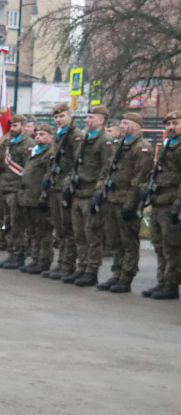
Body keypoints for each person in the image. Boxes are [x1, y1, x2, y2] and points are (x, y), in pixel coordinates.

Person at [96, 113, 153, 293]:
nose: (122, 126)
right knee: (115, 241)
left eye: (126, 123)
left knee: (128, 242)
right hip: (112, 199)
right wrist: (101, 191)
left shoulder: (141, 147)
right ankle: (117, 273)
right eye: (121, 122)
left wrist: (130, 205)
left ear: (137, 127)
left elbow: (139, 179)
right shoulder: (120, 145)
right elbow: (108, 171)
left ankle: (126, 277)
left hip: (126, 201)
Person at [62, 105, 113, 287]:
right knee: (79, 235)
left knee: (92, 235)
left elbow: (106, 168)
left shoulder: (104, 140)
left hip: (91, 193)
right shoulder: (84, 140)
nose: (86, 120)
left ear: (101, 121)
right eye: (87, 117)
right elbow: (75, 165)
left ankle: (91, 270)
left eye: (91, 117)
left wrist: (99, 192)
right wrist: (68, 185)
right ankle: (81, 267)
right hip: (78, 192)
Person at [140, 110, 181, 300]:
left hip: (172, 203)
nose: (171, 127)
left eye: (175, 123)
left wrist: (178, 205)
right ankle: (162, 281)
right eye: (168, 124)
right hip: (158, 202)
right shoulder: (168, 145)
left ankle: (171, 284)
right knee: (159, 244)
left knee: (171, 246)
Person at [43, 103, 79, 280]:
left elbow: (76, 163)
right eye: (56, 117)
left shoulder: (74, 135)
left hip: (66, 188)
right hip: (55, 187)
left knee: (68, 229)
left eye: (62, 116)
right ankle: (61, 263)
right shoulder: (59, 136)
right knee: (60, 229)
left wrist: (67, 184)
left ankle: (68, 264)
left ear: (69, 115)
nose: (59, 120)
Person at [0, 114, 34, 270]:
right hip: (5, 188)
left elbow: (28, 169)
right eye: (11, 126)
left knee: (17, 224)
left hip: (17, 189)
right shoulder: (8, 143)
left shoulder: (28, 144)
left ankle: (18, 254)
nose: (12, 129)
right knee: (8, 223)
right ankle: (11, 252)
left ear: (24, 127)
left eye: (16, 126)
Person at [18, 123, 56, 274]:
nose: (38, 137)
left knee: (44, 231)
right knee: (32, 231)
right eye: (37, 134)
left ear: (50, 137)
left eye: (42, 135)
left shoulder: (50, 153)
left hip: (40, 197)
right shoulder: (34, 151)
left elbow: (49, 176)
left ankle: (44, 260)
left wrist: (44, 197)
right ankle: (35, 259)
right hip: (29, 197)